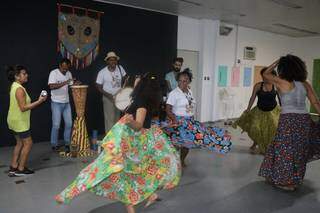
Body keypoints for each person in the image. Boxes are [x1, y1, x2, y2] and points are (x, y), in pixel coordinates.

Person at [55, 73, 181, 213]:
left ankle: (68, 193)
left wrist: (129, 121)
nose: (136, 81)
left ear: (142, 87)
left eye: (139, 81)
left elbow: (138, 125)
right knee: (126, 176)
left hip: (132, 147)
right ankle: (149, 196)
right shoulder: (139, 100)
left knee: (104, 170)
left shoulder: (142, 105)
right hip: (132, 145)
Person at [259, 54, 320, 191]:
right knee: (299, 151)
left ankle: (286, 182)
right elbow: (315, 102)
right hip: (304, 120)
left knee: (284, 151)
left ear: (283, 68)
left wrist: (277, 61)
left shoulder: (281, 81)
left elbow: (266, 74)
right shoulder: (305, 84)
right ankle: (292, 178)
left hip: (288, 120)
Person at [164, 69, 232, 167]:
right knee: (179, 143)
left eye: (185, 81)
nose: (182, 83)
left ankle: (181, 160)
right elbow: (168, 109)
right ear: (177, 81)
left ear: (189, 81)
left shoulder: (189, 91)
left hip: (189, 121)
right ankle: (173, 162)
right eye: (180, 81)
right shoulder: (174, 93)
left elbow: (190, 106)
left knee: (188, 143)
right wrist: (175, 120)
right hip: (178, 121)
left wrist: (192, 118)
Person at [7, 65, 47, 176]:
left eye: (26, 73)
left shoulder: (14, 85)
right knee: (28, 143)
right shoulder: (19, 89)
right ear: (17, 76)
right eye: (24, 74)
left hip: (13, 120)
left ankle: (13, 166)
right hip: (19, 122)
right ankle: (20, 169)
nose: (26, 75)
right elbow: (23, 108)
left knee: (19, 143)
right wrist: (39, 101)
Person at [232, 67, 281, 154]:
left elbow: (281, 98)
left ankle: (270, 146)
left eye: (266, 76)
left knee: (273, 128)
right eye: (263, 76)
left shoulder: (276, 86)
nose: (264, 78)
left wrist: (283, 109)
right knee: (255, 128)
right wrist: (248, 109)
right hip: (259, 111)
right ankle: (256, 142)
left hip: (272, 111)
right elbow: (252, 97)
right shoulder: (258, 85)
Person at [96, 51, 127, 132]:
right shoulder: (102, 72)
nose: (113, 61)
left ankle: (116, 139)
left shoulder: (120, 68)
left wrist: (123, 90)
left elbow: (125, 79)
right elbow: (98, 87)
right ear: (107, 61)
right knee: (109, 120)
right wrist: (109, 95)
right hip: (108, 97)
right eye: (111, 60)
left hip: (119, 97)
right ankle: (109, 142)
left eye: (115, 60)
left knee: (117, 120)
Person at [48, 58, 74, 152]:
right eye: (63, 68)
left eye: (67, 68)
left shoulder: (69, 73)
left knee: (69, 124)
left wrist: (75, 84)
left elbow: (70, 85)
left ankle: (67, 143)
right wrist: (65, 82)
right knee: (56, 125)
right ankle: (54, 144)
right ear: (60, 65)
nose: (65, 70)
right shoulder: (53, 73)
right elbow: (51, 86)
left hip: (66, 102)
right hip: (56, 102)